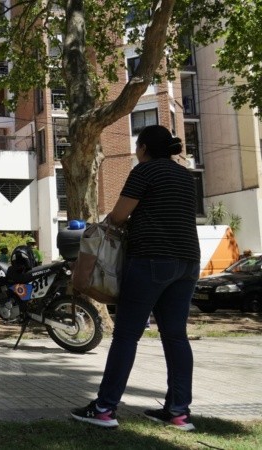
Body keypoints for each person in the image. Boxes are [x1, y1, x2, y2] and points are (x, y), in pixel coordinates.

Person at [71, 125, 200, 431]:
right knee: (176, 336)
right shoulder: (186, 176)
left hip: (151, 259)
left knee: (127, 335)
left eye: (137, 147)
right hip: (188, 262)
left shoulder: (144, 171)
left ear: (143, 148)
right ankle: (178, 413)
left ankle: (104, 409)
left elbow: (119, 216)